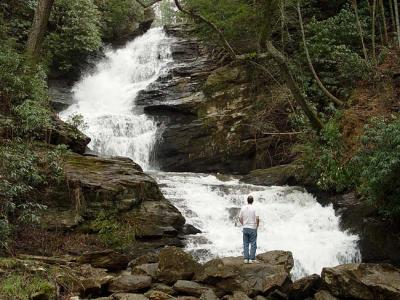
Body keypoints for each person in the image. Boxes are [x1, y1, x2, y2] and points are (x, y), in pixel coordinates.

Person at [239, 195, 259, 264]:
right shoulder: (254, 208)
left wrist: (243, 224)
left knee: (245, 243)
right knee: (253, 243)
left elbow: (240, 218)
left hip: (245, 228)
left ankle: (245, 259)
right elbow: (257, 218)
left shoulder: (243, 208)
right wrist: (257, 226)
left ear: (247, 200)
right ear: (252, 201)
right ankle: (251, 259)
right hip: (252, 227)